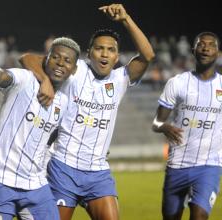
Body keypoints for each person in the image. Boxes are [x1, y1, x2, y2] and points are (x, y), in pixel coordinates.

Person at [19, 4, 155, 220]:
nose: (105, 54)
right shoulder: (75, 69)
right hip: (63, 167)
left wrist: (126, 18)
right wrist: (45, 80)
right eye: (99, 48)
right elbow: (27, 58)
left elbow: (147, 55)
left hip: (98, 172)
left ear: (117, 56)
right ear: (89, 52)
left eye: (111, 50)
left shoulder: (120, 79)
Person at [0, 37, 80, 220]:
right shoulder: (25, 79)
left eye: (67, 61)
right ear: (46, 58)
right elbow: (1, 75)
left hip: (36, 186)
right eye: (56, 57)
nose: (60, 63)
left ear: (74, 69)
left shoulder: (65, 102)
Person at [152, 32, 221, 220]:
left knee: (199, 216)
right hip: (178, 165)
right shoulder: (177, 83)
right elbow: (156, 122)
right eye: (201, 44)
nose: (206, 48)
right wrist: (164, 127)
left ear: (218, 52)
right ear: (193, 50)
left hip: (209, 166)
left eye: (211, 45)